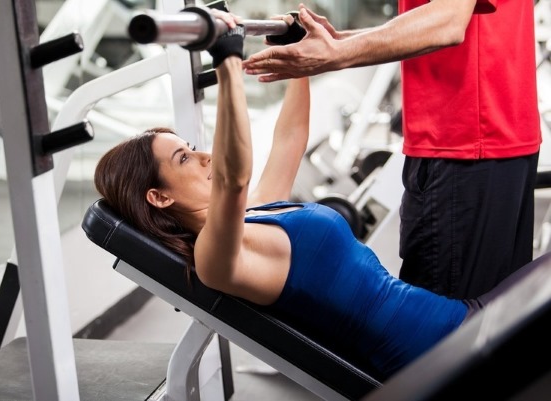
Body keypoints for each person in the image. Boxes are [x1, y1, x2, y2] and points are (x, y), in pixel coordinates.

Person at [94, 12, 542, 379]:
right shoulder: (217, 257)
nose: (205, 156)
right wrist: (228, 62)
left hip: (463, 318)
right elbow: (232, 176)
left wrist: (298, 59)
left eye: (192, 148)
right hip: (441, 353)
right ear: (158, 198)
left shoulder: (258, 214)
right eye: (185, 159)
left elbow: (291, 138)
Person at [242, 1, 542, 300]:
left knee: (447, 331)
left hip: (463, 143)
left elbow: (448, 22)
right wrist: (339, 41)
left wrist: (336, 54)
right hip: (496, 137)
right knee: (494, 313)